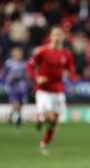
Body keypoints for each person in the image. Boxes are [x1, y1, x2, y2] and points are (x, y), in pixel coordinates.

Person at [27, 26, 76, 154]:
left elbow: (71, 69)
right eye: (55, 34)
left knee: (54, 122)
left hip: (58, 90)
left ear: (63, 37)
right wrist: (37, 77)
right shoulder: (42, 51)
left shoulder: (66, 54)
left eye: (60, 34)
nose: (57, 37)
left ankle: (44, 144)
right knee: (50, 117)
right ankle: (41, 118)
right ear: (51, 36)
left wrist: (70, 77)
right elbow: (30, 66)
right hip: (44, 90)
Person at [0, 47, 28, 133]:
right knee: (16, 105)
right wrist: (8, 79)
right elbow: (3, 74)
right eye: (17, 53)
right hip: (13, 88)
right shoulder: (9, 63)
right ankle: (16, 124)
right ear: (13, 54)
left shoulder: (25, 64)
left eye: (20, 53)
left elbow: (28, 75)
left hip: (22, 88)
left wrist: (26, 77)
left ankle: (12, 118)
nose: (19, 55)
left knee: (19, 108)